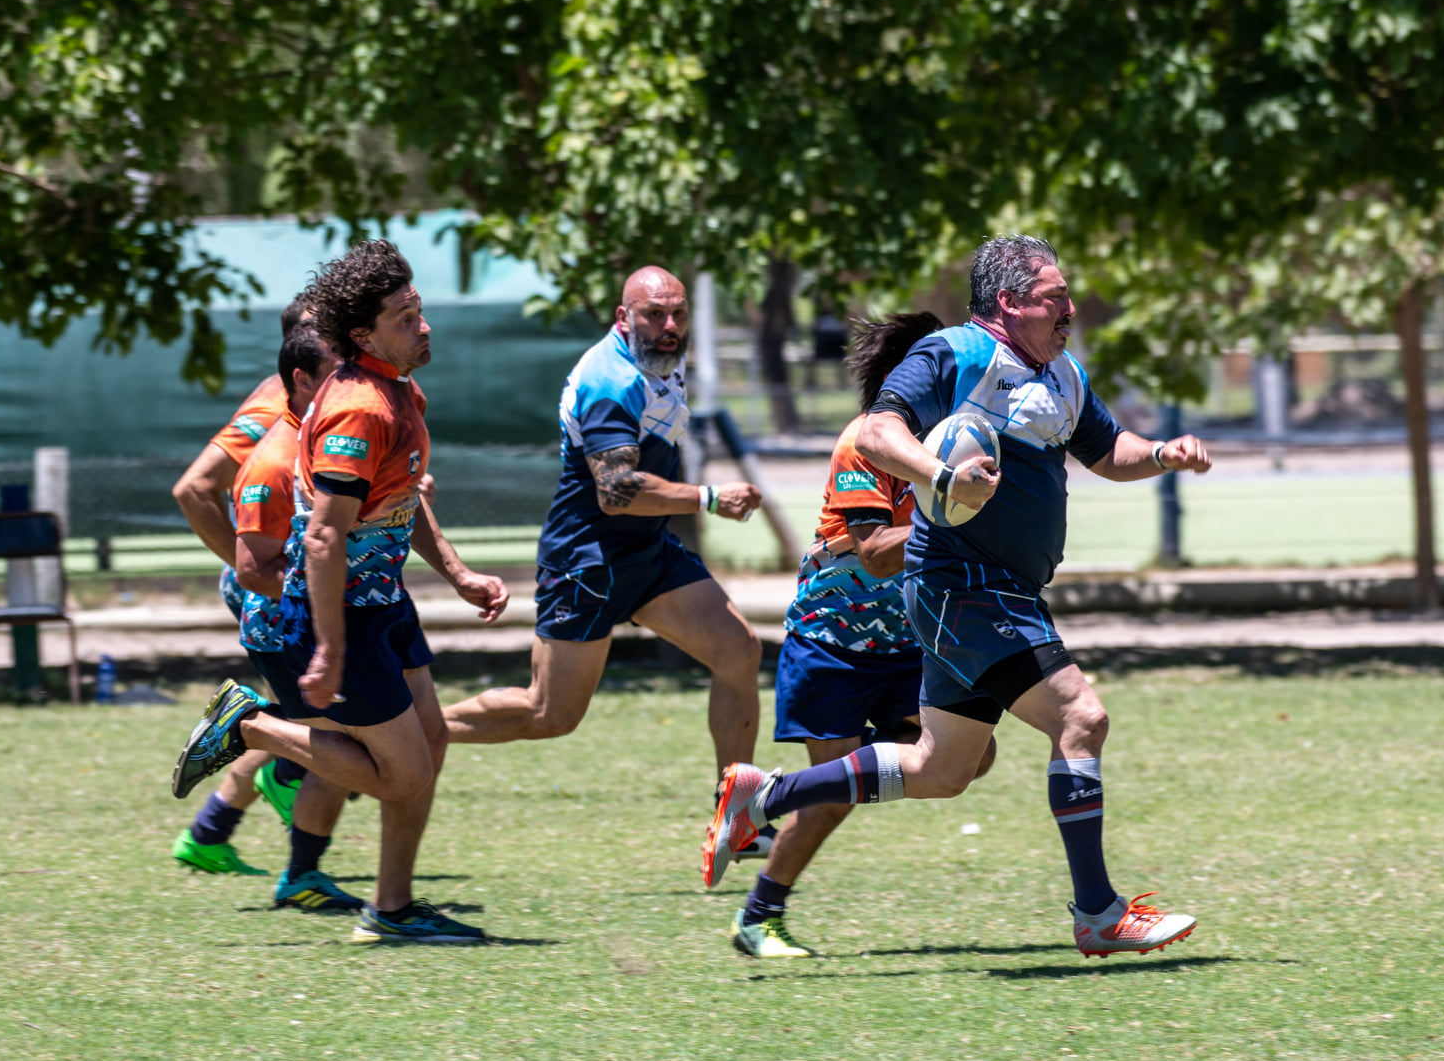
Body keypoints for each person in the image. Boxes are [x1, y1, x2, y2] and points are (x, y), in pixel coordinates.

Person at [705, 234, 1213, 957]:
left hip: (1006, 590)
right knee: (1081, 717)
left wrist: (1163, 453)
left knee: (940, 770)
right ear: (1008, 302)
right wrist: (938, 478)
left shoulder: (1062, 373)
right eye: (1055, 297)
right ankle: (1099, 915)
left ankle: (766, 796)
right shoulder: (957, 355)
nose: (1071, 308)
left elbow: (1106, 452)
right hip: (960, 585)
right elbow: (878, 430)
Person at [172, 239, 510, 944]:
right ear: (363, 334)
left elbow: (400, 501)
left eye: (419, 310)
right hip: (345, 616)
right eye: (404, 316)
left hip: (382, 603)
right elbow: (324, 537)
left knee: (430, 744)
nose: (423, 326)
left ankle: (391, 908)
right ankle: (250, 726)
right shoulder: (359, 408)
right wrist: (326, 645)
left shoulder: (398, 388)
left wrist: (457, 572)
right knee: (402, 774)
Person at [439, 267, 765, 792]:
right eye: (654, 314)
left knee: (739, 652)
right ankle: (413, 731)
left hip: (647, 551)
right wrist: (709, 498)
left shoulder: (659, 360)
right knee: (549, 715)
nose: (669, 325)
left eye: (678, 313)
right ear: (624, 316)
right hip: (587, 562)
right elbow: (616, 493)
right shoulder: (611, 381)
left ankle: (737, 810)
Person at [734, 312, 997, 958]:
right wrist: (959, 516)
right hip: (834, 643)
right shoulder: (864, 442)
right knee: (832, 798)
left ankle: (765, 795)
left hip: (906, 643)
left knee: (968, 758)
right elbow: (877, 551)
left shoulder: (950, 445)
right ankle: (757, 918)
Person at [169, 296, 314, 874]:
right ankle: (288, 778)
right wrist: (248, 567)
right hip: (270, 582)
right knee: (327, 722)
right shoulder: (279, 401)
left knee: (312, 716)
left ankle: (209, 833)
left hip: (293, 578)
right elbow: (194, 488)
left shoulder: (337, 398)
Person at [226, 324, 362, 912]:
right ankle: (254, 732)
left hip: (317, 619)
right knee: (343, 749)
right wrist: (321, 597)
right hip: (284, 629)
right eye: (335, 375)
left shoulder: (322, 440)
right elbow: (252, 568)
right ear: (301, 381)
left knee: (347, 749)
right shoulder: (274, 459)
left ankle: (300, 864)